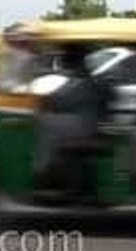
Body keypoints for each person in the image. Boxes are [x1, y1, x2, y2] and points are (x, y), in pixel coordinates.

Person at [33, 44, 105, 194]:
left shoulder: (82, 79)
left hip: (84, 124)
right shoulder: (79, 77)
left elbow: (64, 98)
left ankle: (41, 171)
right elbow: (62, 97)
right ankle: (47, 167)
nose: (62, 61)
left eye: (64, 58)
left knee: (42, 122)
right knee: (45, 121)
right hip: (81, 121)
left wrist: (48, 101)